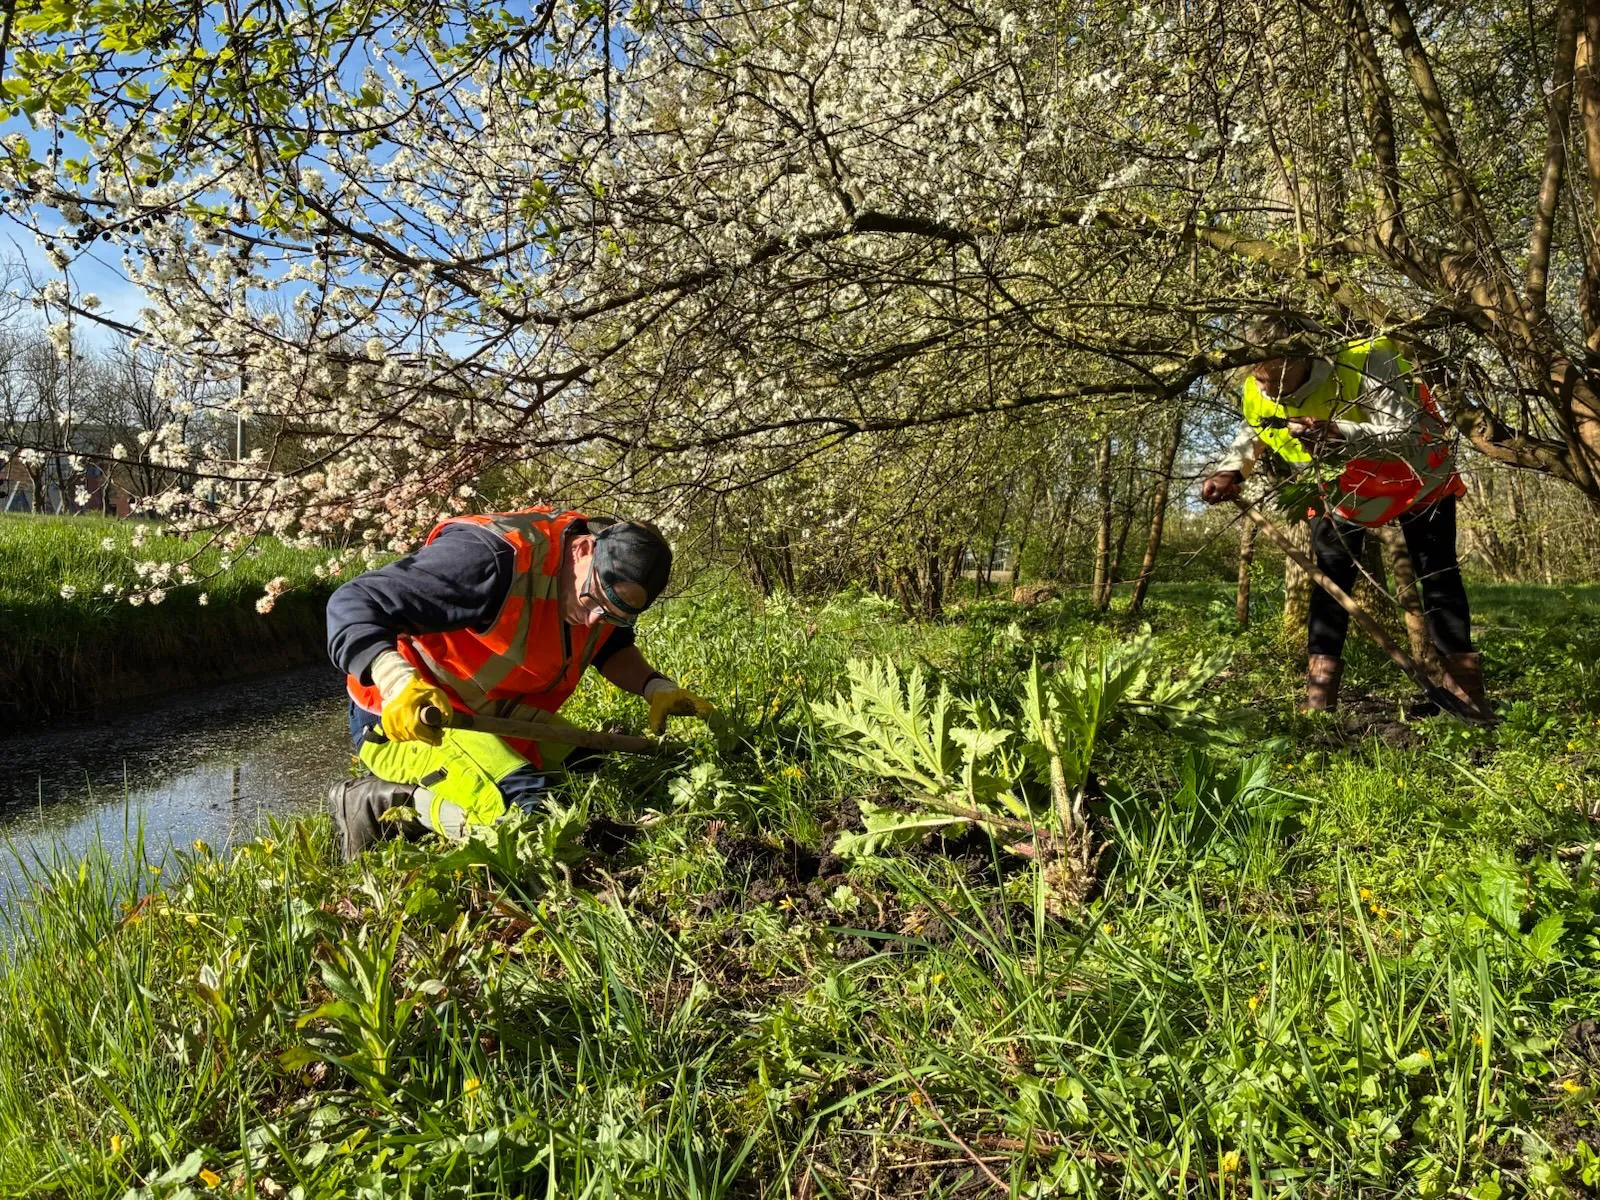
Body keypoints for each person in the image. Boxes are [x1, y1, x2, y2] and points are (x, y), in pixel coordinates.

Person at [324, 505, 713, 858]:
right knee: (527, 818)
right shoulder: (487, 561)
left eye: (614, 614)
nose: (597, 619)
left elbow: (610, 647)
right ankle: (382, 804)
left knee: (591, 773)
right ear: (582, 550)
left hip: (493, 714)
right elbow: (353, 601)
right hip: (413, 720)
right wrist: (396, 683)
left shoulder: (598, 589)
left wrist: (655, 687)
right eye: (595, 601)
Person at [1199, 318, 1483, 714]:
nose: (1268, 392)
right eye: (1261, 381)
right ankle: (1318, 702)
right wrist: (1231, 469)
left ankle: (1465, 696)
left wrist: (1339, 432)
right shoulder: (1257, 384)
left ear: (1305, 357)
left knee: (1436, 574)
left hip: (1417, 475)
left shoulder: (1366, 360)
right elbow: (1255, 430)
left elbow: (1408, 429)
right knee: (1331, 578)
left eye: (1277, 383)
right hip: (1340, 490)